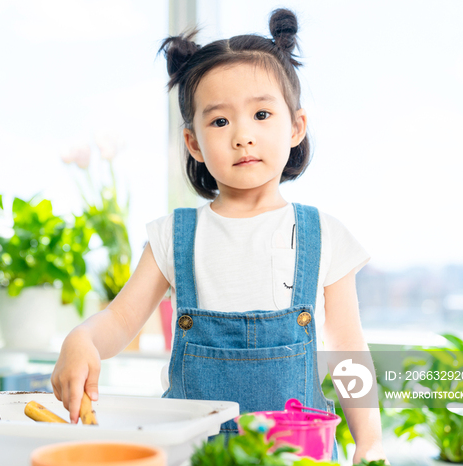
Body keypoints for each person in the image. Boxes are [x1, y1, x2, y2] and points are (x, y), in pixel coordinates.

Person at [52, 7, 388, 463]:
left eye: (262, 114)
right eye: (220, 121)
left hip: (299, 457)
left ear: (295, 127)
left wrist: (369, 442)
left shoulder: (324, 235)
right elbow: (117, 323)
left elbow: (348, 350)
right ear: (193, 143)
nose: (242, 136)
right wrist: (81, 341)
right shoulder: (174, 236)